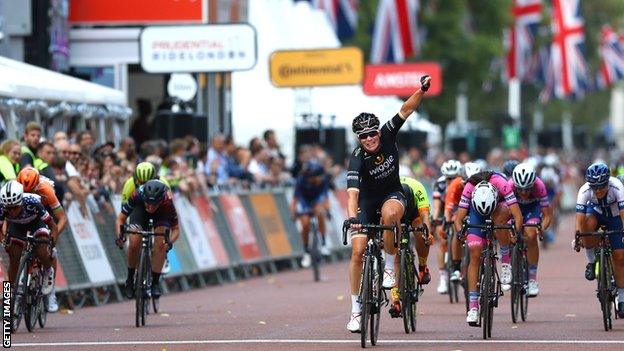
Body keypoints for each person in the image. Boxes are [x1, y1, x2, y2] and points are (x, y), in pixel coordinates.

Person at [344, 75, 431, 332]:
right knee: (358, 251)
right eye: (363, 136)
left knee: (390, 214)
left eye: (372, 133)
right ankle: (356, 311)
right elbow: (352, 195)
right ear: (358, 139)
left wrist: (422, 90)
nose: (369, 139)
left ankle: (388, 270)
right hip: (367, 202)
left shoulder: (389, 132)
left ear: (378, 131)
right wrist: (352, 219)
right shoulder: (357, 159)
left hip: (393, 193)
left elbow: (406, 108)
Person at [454, 170, 523, 325]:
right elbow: (458, 220)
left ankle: (505, 263)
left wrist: (515, 234)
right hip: (476, 213)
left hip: (500, 206)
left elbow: (518, 217)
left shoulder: (502, 184)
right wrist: (461, 233)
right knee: (475, 254)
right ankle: (473, 307)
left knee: (499, 220)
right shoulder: (469, 187)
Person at [115, 179, 180, 299]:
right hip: (140, 210)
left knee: (161, 244)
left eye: (153, 203)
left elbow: (176, 229)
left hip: (161, 213)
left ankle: (155, 283)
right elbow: (120, 219)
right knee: (134, 243)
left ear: (160, 200)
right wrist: (120, 235)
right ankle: (130, 279)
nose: (150, 206)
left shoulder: (167, 201)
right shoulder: (137, 195)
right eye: (148, 202)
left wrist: (169, 242)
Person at [575, 162, 624, 318]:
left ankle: (622, 298)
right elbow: (579, 219)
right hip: (595, 213)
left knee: (620, 257)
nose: (598, 190)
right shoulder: (584, 190)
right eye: (594, 187)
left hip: (615, 216)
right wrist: (578, 237)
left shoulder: (617, 187)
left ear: (607, 181)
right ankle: (591, 261)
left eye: (601, 186)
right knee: (586, 231)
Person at [17, 167, 68, 312]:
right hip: (25, 213)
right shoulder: (15, 187)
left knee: (47, 248)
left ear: (36, 186)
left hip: (45, 211)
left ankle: (51, 292)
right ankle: (18, 288)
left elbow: (62, 218)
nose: (28, 194)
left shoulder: (46, 190)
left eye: (31, 191)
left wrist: (54, 235)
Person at [0, 181, 57, 295]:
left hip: (37, 223)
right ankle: (8, 298)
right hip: (17, 226)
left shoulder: (33, 202)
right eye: (8, 208)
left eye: (15, 207)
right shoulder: (2, 207)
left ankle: (47, 270)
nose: (11, 211)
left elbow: (53, 226)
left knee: (41, 251)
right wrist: (3, 241)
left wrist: (51, 243)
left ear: (21, 202)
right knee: (13, 258)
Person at [388, 176, 433, 317]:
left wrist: (428, 233)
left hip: (414, 214)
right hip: (395, 213)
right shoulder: (387, 188)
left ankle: (422, 266)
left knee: (421, 234)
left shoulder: (417, 188)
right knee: (395, 252)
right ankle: (395, 300)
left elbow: (425, 215)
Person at [509, 163, 552, 297]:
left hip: (532, 209)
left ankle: (532, 278)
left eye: (527, 189)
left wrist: (541, 228)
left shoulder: (540, 186)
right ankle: (509, 263)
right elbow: (502, 212)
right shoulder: (509, 185)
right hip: (513, 208)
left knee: (531, 234)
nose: (523, 193)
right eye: (520, 189)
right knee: (507, 231)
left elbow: (547, 215)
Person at [444, 162, 481, 282]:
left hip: (475, 206)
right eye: (466, 183)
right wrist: (448, 220)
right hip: (458, 207)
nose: (469, 186)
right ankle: (456, 267)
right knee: (456, 228)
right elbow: (448, 209)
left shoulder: (483, 186)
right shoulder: (454, 185)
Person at [291, 161, 330, 268]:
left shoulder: (323, 179)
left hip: (317, 200)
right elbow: (295, 199)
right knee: (305, 223)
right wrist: (293, 212)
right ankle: (306, 251)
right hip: (305, 201)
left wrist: (327, 210)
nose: (319, 179)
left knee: (320, 213)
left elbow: (326, 197)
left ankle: (323, 243)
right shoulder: (301, 180)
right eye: (317, 177)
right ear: (310, 177)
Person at [431, 159, 461, 294]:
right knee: (442, 240)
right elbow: (437, 207)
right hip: (445, 209)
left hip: (460, 208)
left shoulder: (463, 183)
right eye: (449, 178)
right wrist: (436, 220)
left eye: (454, 178)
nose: (451, 181)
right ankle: (443, 276)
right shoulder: (440, 184)